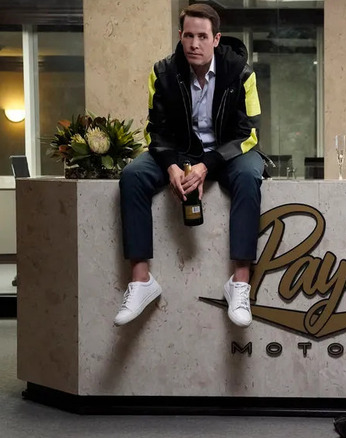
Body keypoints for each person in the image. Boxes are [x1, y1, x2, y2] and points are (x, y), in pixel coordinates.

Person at [114, 3, 266, 328]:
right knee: (132, 176)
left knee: (251, 176)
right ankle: (142, 282)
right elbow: (155, 129)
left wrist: (206, 165)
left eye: (202, 36)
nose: (194, 44)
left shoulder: (242, 72)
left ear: (216, 39)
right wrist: (170, 165)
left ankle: (239, 284)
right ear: (180, 36)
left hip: (227, 153)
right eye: (188, 36)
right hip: (179, 152)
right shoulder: (163, 72)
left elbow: (250, 132)